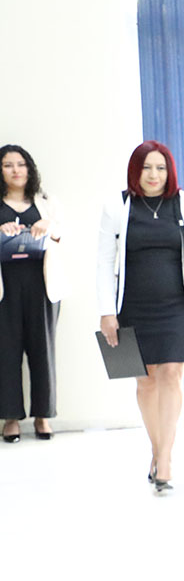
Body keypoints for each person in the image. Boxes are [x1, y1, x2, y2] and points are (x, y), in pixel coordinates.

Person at [96, 141, 184, 493]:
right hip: (130, 308)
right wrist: (106, 312)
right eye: (146, 168)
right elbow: (104, 262)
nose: (153, 175)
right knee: (144, 380)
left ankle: (165, 459)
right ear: (135, 170)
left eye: (160, 168)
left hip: (179, 306)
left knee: (171, 373)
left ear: (170, 171)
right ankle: (156, 450)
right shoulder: (117, 207)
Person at [0, 145, 64, 443]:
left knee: (42, 349)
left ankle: (43, 417)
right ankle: (10, 418)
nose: (16, 170)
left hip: (42, 283)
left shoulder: (45, 201)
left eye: (21, 164)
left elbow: (62, 235)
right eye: (8, 165)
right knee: (6, 351)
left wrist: (49, 226)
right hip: (5, 287)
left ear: (30, 169)